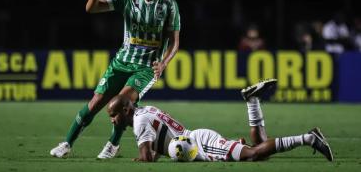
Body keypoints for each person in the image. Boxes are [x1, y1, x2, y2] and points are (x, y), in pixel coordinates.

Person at [50, 0, 181, 159]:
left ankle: (113, 143)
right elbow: (91, 8)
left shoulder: (169, 5)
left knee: (122, 103)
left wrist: (163, 63)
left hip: (146, 68)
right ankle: (67, 143)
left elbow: (174, 42)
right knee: (94, 104)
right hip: (121, 63)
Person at [107, 79, 333, 162]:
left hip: (198, 145)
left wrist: (141, 159)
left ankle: (309, 138)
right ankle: (253, 101)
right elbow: (159, 145)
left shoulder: (138, 121)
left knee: (254, 154)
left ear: (126, 110)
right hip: (194, 142)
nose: (112, 120)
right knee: (257, 151)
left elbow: (146, 157)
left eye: (113, 115)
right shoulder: (144, 111)